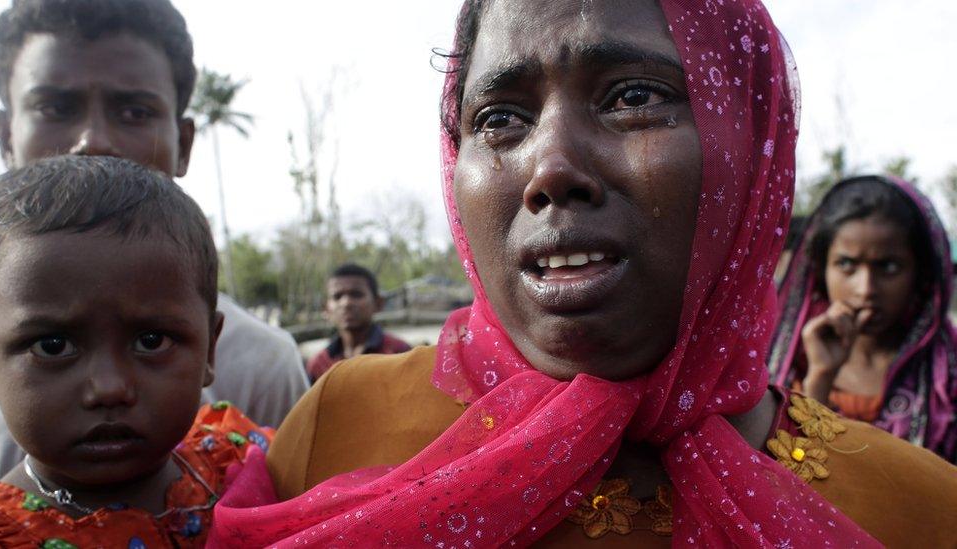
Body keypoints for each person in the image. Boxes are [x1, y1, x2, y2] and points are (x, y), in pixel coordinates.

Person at [209, 0, 957, 547]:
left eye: (634, 96)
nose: (552, 167)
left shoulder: (921, 509)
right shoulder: (335, 426)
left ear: (749, 146)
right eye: (500, 116)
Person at [0, 0, 308, 482]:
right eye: (55, 108)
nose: (92, 140)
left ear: (184, 144)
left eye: (134, 111)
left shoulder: (262, 369)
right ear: (7, 136)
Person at [0, 156, 273, 547]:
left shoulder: (241, 461)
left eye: (151, 341)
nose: (109, 387)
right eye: (53, 346)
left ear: (209, 351)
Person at [769, 175, 957, 461]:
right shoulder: (785, 364)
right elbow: (790, 472)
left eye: (889, 267)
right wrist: (820, 378)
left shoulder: (947, 370)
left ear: (920, 274)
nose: (866, 289)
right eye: (846, 264)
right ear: (821, 271)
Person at [306, 264, 412, 381]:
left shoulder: (400, 353)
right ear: (326, 308)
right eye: (337, 296)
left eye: (356, 294)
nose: (346, 303)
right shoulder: (319, 364)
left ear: (378, 303)